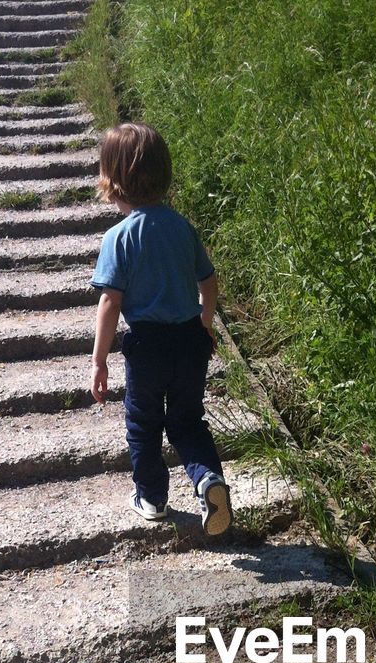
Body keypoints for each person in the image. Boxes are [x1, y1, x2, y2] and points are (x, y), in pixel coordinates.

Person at [90, 121, 232, 535]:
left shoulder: (119, 237)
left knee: (144, 423)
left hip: (148, 346)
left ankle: (151, 497)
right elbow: (209, 283)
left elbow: (110, 302)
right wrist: (204, 325)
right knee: (188, 422)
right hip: (189, 341)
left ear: (113, 182)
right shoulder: (183, 229)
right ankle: (209, 479)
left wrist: (99, 361)